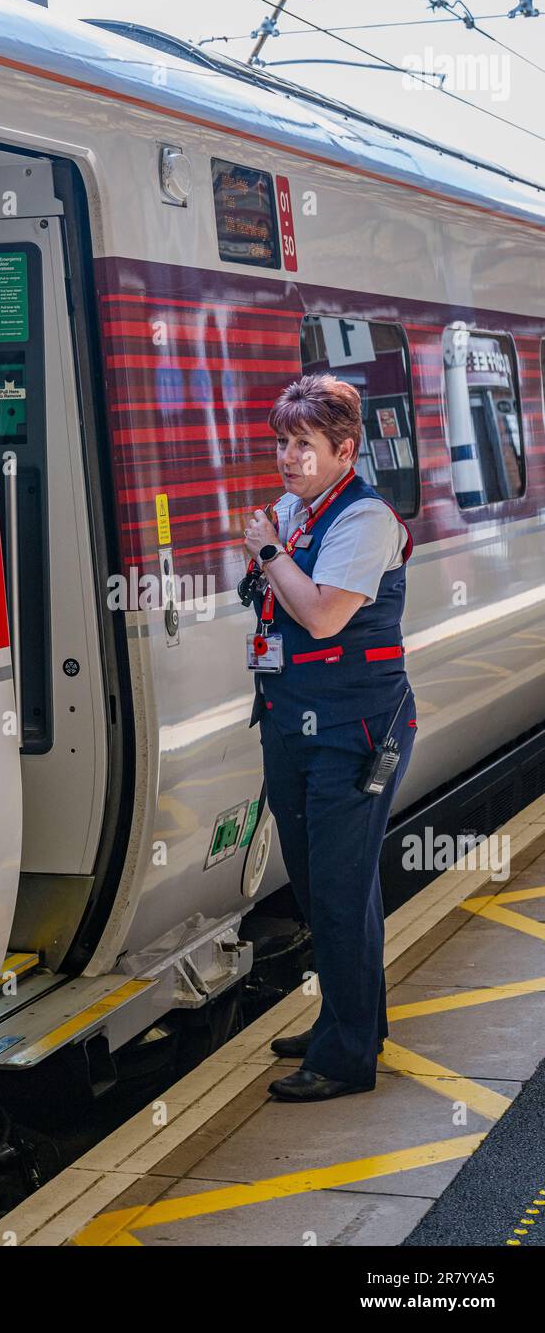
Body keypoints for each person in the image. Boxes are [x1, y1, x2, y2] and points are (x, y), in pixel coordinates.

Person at [242, 373, 417, 1102]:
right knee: (317, 883)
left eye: (302, 444)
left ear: (343, 449)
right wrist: (269, 560)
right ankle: (348, 1023)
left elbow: (319, 617)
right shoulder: (294, 508)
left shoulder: (364, 519)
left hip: (354, 729)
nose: (287, 457)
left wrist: (266, 552)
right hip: (291, 722)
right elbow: (273, 598)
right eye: (281, 442)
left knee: (343, 891)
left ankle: (346, 1058)